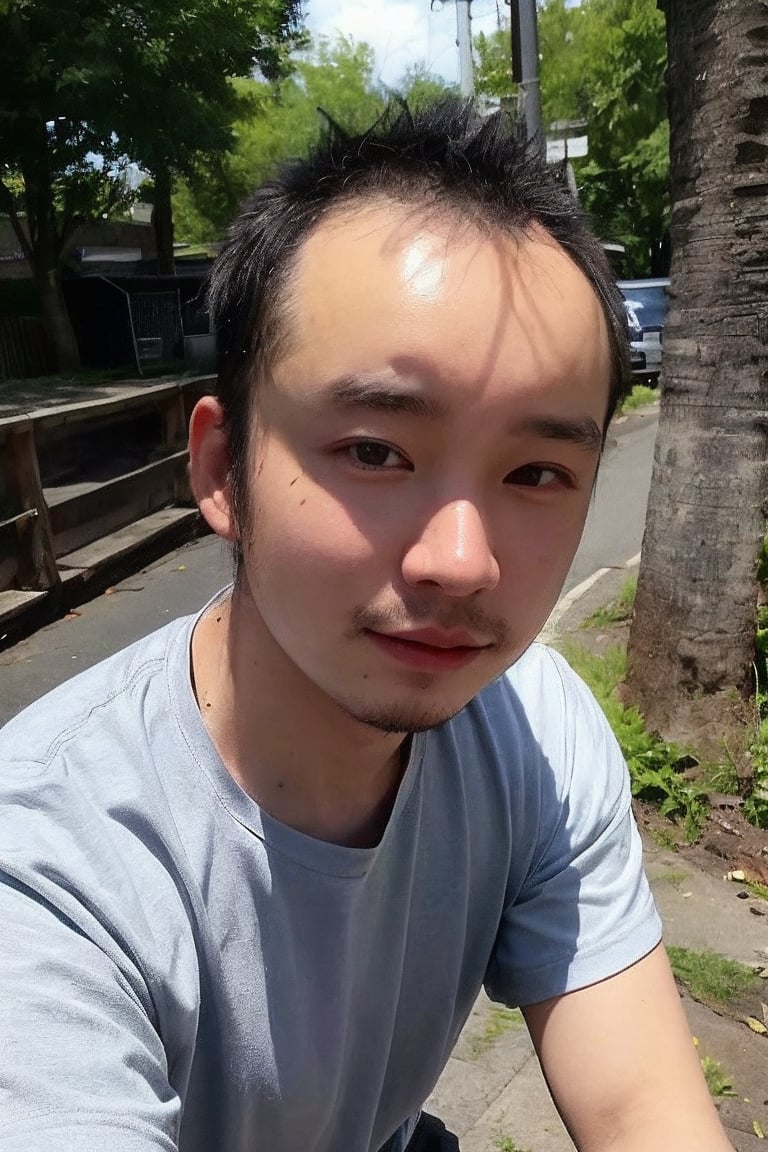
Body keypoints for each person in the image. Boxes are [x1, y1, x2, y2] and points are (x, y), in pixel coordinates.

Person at [0, 101, 733, 1152]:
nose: (461, 561)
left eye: (536, 472)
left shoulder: (533, 730)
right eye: (375, 452)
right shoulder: (46, 874)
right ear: (221, 471)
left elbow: (641, 1112)